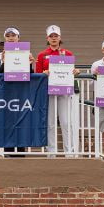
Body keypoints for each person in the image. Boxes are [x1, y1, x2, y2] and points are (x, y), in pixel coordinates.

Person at [35, 25, 79, 156]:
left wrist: (75, 71)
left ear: (60, 38)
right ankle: (51, 153)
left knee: (66, 122)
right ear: (47, 38)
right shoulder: (42, 55)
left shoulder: (68, 53)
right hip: (49, 91)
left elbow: (71, 71)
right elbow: (37, 74)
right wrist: (43, 72)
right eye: (51, 36)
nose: (54, 38)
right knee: (51, 123)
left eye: (56, 36)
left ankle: (69, 152)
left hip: (64, 91)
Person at [0, 27, 35, 156]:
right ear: (5, 38)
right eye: (8, 36)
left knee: (21, 122)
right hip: (6, 93)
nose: (11, 38)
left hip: (21, 92)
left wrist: (29, 64)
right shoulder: (0, 55)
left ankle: (21, 152)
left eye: (13, 35)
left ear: (18, 38)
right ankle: (7, 152)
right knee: (7, 123)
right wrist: (4, 63)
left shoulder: (26, 53)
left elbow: (31, 75)